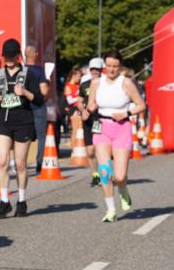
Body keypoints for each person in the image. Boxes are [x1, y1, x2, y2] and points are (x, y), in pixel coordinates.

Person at [0, 38, 48, 218]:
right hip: (3, 120)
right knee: (2, 162)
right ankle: (4, 201)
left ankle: (21, 201)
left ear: (18, 56)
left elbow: (39, 99)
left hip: (23, 120)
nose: (8, 60)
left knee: (21, 164)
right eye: (5, 56)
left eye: (11, 56)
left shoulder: (28, 74)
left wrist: (25, 93)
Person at [87, 50, 147, 222]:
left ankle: (123, 190)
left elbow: (141, 105)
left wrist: (126, 113)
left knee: (119, 176)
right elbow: (91, 102)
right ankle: (111, 209)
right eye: (109, 66)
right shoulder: (96, 83)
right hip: (102, 127)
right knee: (105, 171)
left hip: (121, 128)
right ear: (104, 66)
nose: (111, 70)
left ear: (120, 66)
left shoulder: (126, 83)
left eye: (115, 66)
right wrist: (89, 108)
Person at [78, 58, 104, 186]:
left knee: (99, 149)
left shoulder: (105, 84)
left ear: (101, 70)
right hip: (87, 119)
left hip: (99, 119)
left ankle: (105, 174)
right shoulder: (84, 84)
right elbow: (79, 101)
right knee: (89, 151)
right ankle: (95, 175)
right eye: (92, 69)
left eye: (97, 69)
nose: (94, 71)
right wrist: (83, 110)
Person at [25, 45, 50, 173]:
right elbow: (44, 90)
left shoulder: (21, 70)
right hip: (38, 106)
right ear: (34, 55)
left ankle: (21, 162)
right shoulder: (39, 70)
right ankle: (39, 163)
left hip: (24, 108)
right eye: (36, 53)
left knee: (24, 136)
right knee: (41, 136)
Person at [63, 67, 83, 136]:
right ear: (73, 76)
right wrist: (79, 98)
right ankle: (74, 146)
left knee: (80, 130)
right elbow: (70, 101)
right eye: (79, 76)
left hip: (80, 108)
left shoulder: (78, 85)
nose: (80, 78)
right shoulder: (68, 86)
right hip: (73, 109)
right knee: (75, 131)